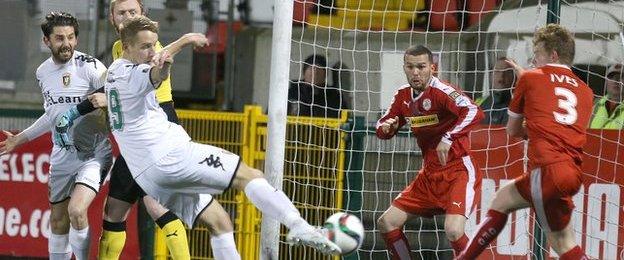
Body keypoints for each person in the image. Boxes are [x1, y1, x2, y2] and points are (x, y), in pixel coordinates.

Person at [57, 15, 341, 256]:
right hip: (171, 157)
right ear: (127, 46)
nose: (150, 51)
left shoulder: (116, 70)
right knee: (249, 175)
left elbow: (154, 60)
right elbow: (156, 72)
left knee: (220, 222)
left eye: (152, 45)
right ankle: (303, 229)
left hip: (149, 175)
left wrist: (163, 53)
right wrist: (184, 42)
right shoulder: (135, 74)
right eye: (144, 47)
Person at [94, 1, 237, 259]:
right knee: (119, 209)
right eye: (121, 13)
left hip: (157, 126)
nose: (127, 17)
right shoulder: (120, 48)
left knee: (152, 205)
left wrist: (184, 40)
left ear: (143, 15)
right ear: (112, 18)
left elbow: (155, 66)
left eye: (133, 12)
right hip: (137, 133)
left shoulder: (149, 45)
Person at [457, 24, 594, 260]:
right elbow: (559, 127)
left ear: (552, 55)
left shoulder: (530, 78)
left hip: (546, 171)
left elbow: (512, 130)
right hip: (571, 174)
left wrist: (526, 82)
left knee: (556, 240)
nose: (534, 59)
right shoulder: (586, 91)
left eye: (537, 54)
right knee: (508, 202)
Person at [0, 12, 112, 260]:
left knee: (77, 210)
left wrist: (107, 98)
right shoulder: (43, 72)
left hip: (93, 152)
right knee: (58, 221)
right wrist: (20, 138)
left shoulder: (91, 67)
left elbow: (114, 93)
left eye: (71, 37)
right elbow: (53, 114)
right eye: (60, 38)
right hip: (62, 155)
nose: (67, 44)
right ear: (46, 41)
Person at [376, 45, 484, 259]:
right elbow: (382, 125)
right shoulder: (403, 96)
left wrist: (448, 137)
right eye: (410, 67)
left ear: (432, 68)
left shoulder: (442, 91)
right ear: (405, 68)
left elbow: (474, 110)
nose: (415, 72)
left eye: (421, 67)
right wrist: (386, 128)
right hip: (429, 176)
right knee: (387, 222)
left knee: (453, 230)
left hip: (457, 171)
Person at [478, 57, 515, 125]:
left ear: (514, 77)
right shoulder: (479, 102)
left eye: (507, 72)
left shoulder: (521, 105)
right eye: (497, 71)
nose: (501, 76)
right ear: (491, 75)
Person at [589, 63, 624, 129]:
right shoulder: (594, 104)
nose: (616, 81)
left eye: (621, 77)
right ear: (606, 81)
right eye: (611, 77)